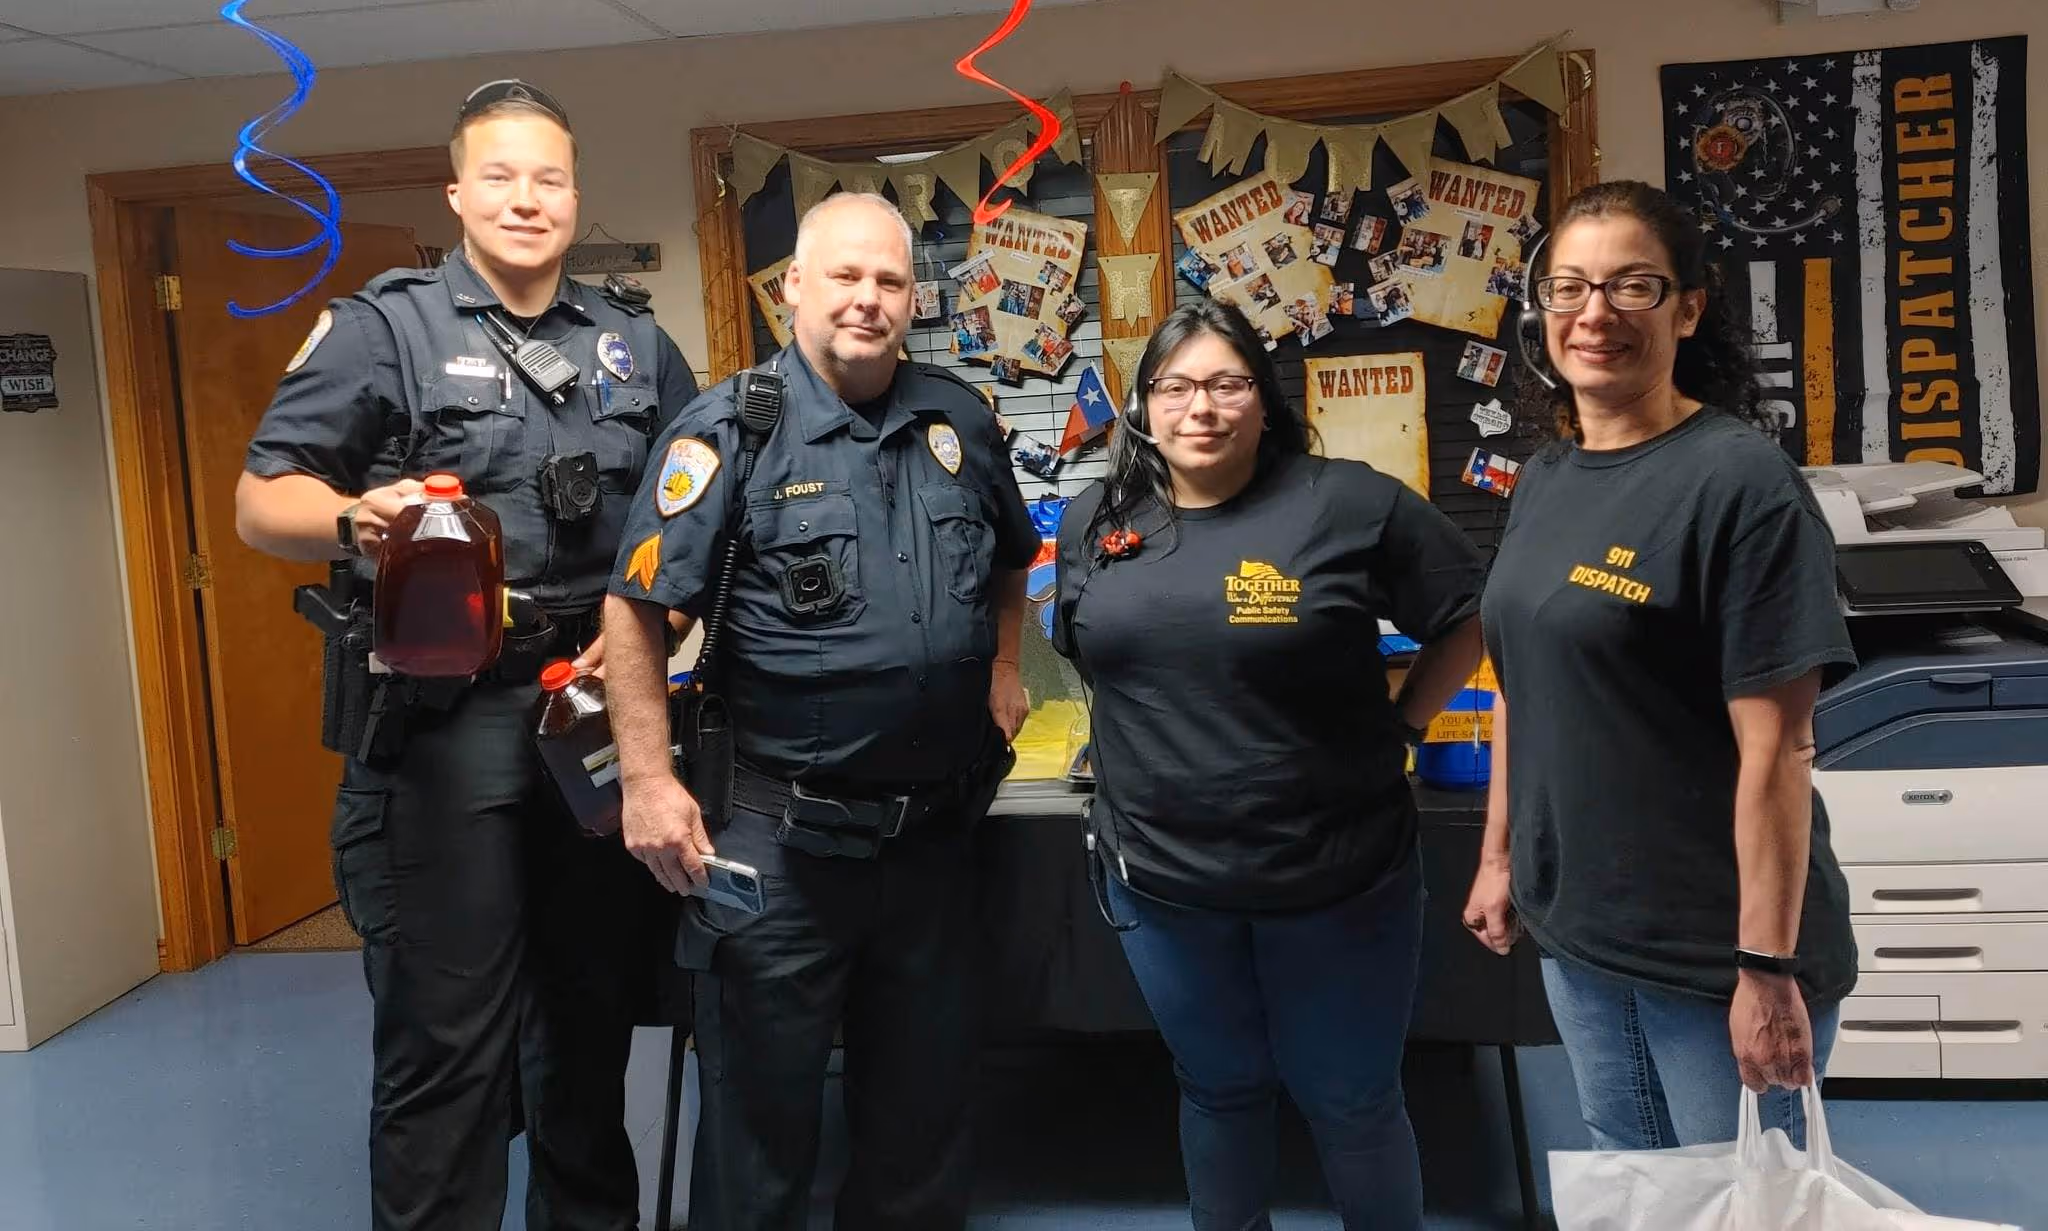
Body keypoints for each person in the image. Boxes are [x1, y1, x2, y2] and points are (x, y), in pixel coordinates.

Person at [236, 78, 699, 1230]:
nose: (526, 199)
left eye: (548, 178)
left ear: (575, 196)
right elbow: (258, 501)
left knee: (587, 1029)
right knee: (450, 1047)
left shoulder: (633, 345)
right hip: (445, 726)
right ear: (457, 193)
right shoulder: (384, 328)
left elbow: (689, 528)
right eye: (500, 176)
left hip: (589, 715)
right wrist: (356, 518)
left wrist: (654, 631)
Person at [600, 192, 1038, 1231]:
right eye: (843, 276)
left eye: (888, 281)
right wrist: (650, 782)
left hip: (931, 843)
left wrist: (1003, 666)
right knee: (760, 1138)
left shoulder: (958, 420)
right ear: (792, 287)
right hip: (780, 847)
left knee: (922, 1129)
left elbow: (1013, 559)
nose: (867, 300)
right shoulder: (727, 432)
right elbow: (636, 608)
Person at [1050, 300, 1487, 1231]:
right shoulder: (1098, 515)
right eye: (1174, 386)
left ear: (1263, 397)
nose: (1199, 408)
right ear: (1143, 404)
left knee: (1352, 1101)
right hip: (1162, 884)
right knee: (1219, 1090)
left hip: (1339, 876)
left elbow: (1471, 611)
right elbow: (1091, 654)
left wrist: (1407, 723)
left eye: (1225, 383)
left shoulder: (1348, 501)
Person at [1463, 179, 1859, 1151]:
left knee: (1745, 1205)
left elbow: (1779, 749)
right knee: (1629, 1178)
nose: (1592, 314)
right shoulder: (1546, 476)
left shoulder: (1734, 483)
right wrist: (1500, 854)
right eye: (1567, 288)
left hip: (1709, 947)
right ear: (1539, 312)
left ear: (1686, 308)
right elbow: (1523, 684)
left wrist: (1765, 966)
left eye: (1629, 286)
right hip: (1581, 927)